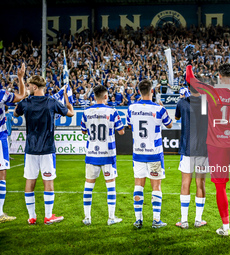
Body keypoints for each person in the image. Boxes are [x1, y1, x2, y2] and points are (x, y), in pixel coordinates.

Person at [185, 56, 230, 237]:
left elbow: (190, 79)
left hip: (217, 146)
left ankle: (226, 228)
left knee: (220, 187)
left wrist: (190, 63)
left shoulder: (211, 91)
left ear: (218, 75)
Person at [14, 74, 74, 225]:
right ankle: (48, 216)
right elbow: (71, 113)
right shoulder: (52, 102)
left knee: (30, 181)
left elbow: (15, 113)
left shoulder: (25, 103)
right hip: (47, 148)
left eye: (28, 86)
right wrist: (67, 98)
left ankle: (32, 217)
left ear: (34, 87)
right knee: (48, 181)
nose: (27, 88)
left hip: (31, 149)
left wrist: (24, 98)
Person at [127, 79, 172, 229]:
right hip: (154, 153)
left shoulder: (131, 108)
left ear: (139, 92)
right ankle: (156, 220)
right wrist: (163, 108)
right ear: (152, 91)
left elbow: (129, 124)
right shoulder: (159, 109)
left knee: (138, 185)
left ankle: (138, 220)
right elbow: (170, 124)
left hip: (138, 153)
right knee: (156, 186)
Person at [80, 85, 125, 226]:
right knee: (110, 186)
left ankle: (87, 218)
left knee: (88, 186)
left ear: (94, 96)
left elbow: (83, 131)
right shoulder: (112, 111)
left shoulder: (86, 111)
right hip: (108, 154)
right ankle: (111, 218)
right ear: (106, 96)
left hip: (92, 153)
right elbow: (121, 131)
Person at [175, 82, 208, 229]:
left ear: (188, 89)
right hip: (202, 150)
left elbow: (176, 118)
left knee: (185, 183)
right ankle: (198, 219)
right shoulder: (208, 103)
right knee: (200, 184)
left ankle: (184, 220)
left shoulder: (182, 102)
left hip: (187, 149)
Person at [0, 63, 26, 223]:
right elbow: (22, 95)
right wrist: (21, 78)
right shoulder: (1, 94)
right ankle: (0, 213)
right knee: (2, 174)